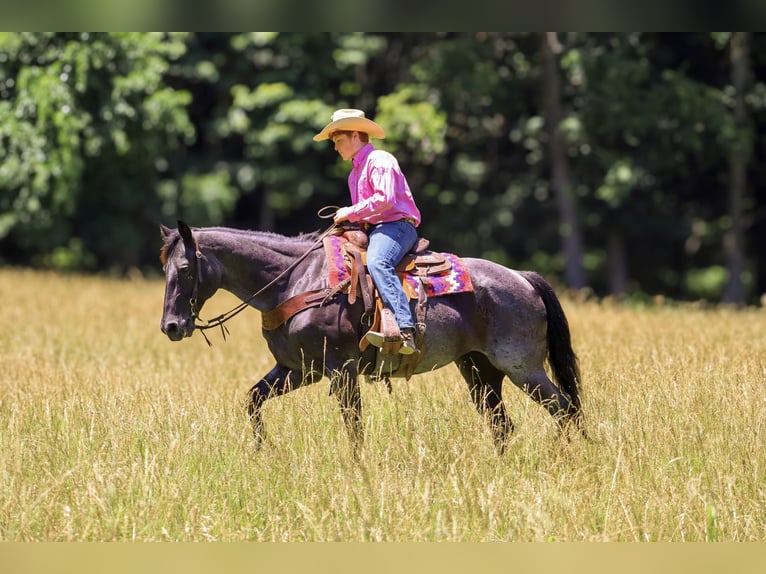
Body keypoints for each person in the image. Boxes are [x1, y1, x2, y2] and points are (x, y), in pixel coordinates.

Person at [314, 108, 421, 355]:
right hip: (375, 230)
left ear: (354, 135)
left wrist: (349, 212)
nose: (335, 147)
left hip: (397, 226)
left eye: (338, 140)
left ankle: (406, 328)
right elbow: (366, 214)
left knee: (378, 261)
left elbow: (384, 199)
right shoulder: (354, 174)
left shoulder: (380, 160)